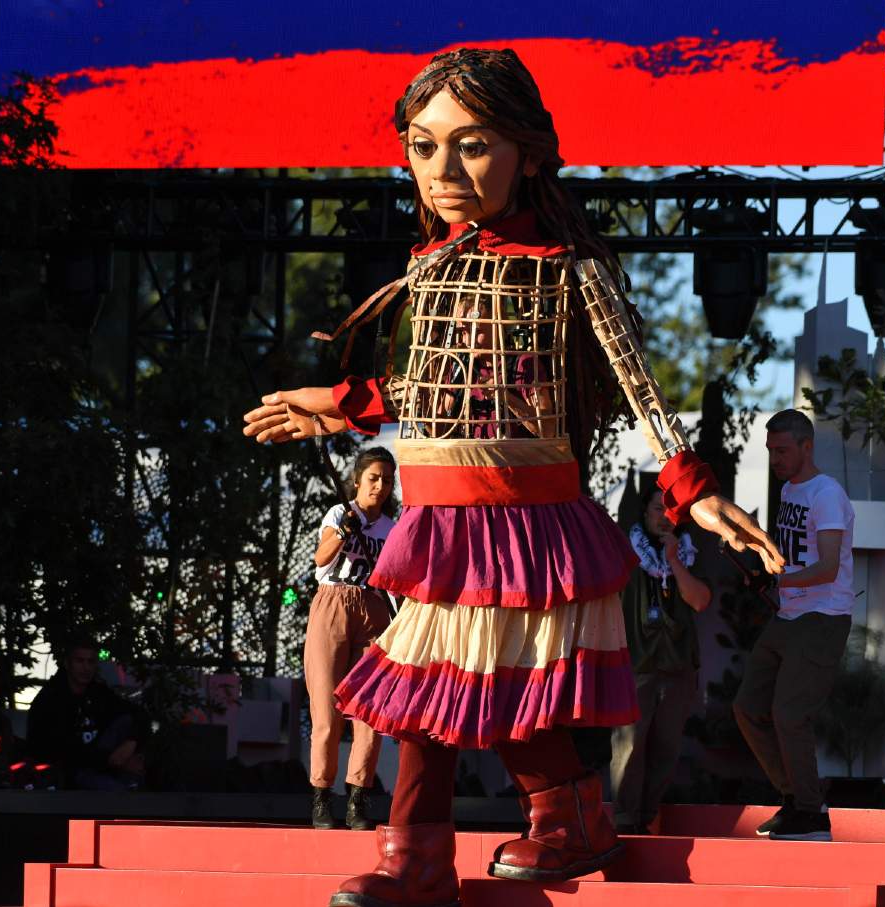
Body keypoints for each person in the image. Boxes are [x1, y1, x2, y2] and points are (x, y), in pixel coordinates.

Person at [243, 48, 783, 907]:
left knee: (481, 681)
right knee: (427, 685)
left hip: (524, 514)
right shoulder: (427, 267)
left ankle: (549, 822)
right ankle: (445, 848)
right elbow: (437, 384)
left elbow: (639, 385)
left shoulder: (573, 268)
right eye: (423, 147)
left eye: (472, 144)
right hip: (440, 509)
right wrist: (338, 403)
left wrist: (693, 487)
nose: (443, 169)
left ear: (527, 151)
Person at [734, 409, 855, 842]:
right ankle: (798, 800)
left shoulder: (827, 495)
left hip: (822, 616)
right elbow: (788, 553)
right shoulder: (788, 489)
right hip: (788, 614)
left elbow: (825, 567)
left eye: (783, 450)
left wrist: (778, 576)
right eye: (770, 451)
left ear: (807, 446)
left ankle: (809, 812)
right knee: (748, 706)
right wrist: (753, 545)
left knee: (789, 712)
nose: (776, 459)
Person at [609, 478, 713, 835]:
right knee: (629, 745)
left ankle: (646, 817)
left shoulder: (687, 552)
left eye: (671, 511)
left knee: (666, 748)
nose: (664, 518)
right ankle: (625, 821)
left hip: (678, 666)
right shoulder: (626, 551)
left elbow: (699, 600)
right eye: (658, 509)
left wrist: (673, 562)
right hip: (636, 665)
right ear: (644, 513)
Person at [305, 447, 398, 830]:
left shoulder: (391, 529)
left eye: (387, 480)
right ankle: (322, 796)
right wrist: (344, 529)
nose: (380, 485)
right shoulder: (339, 514)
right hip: (332, 602)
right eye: (373, 477)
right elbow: (320, 559)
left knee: (368, 710)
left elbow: (395, 579)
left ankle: (359, 797)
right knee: (326, 709)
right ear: (358, 480)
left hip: (373, 607)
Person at [27, 637, 147, 790]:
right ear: (67, 664)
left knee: (127, 721)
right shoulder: (50, 700)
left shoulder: (98, 693)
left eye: (91, 662)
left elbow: (138, 714)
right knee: (118, 793)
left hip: (102, 763)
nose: (86, 668)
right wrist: (113, 760)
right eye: (80, 661)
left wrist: (132, 741)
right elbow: (65, 752)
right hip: (66, 772)